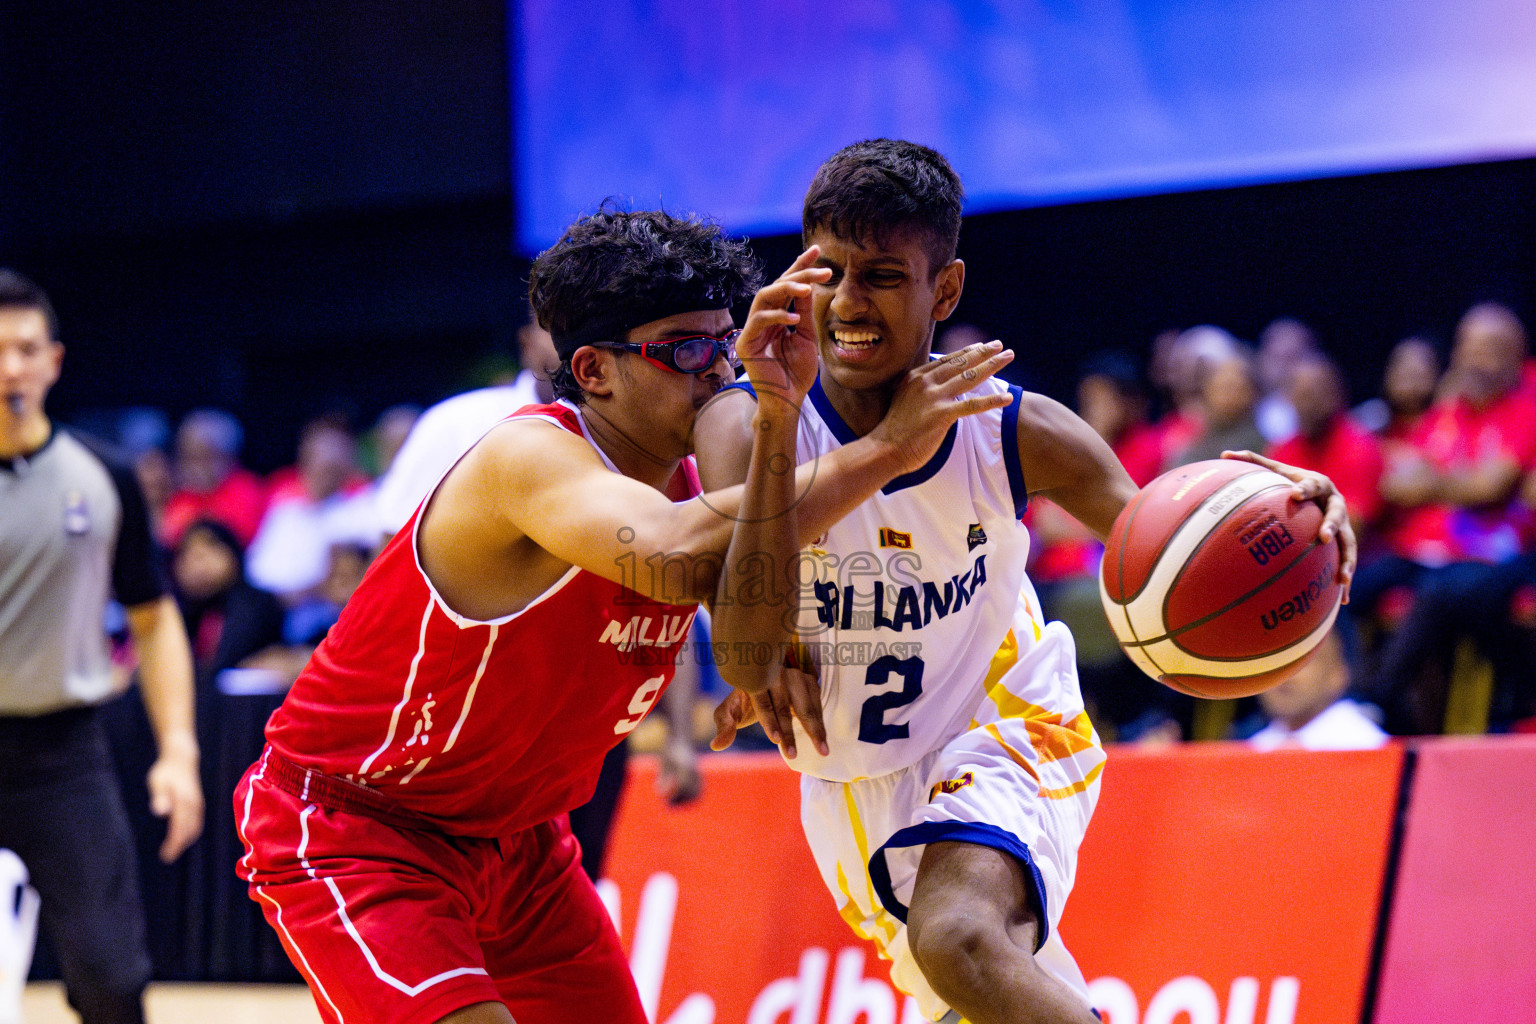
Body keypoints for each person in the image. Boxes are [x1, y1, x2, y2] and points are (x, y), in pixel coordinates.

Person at [232, 207, 1011, 1024]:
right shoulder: (527, 459)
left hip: (523, 842)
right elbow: (674, 559)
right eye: (685, 350)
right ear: (595, 371)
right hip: (362, 827)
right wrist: (888, 448)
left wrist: (767, 650)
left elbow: (745, 631)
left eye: (724, 343)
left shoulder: (695, 474)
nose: (718, 371)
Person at [696, 140, 1355, 1024]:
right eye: (832, 271)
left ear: (948, 291)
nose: (849, 302)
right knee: (988, 989)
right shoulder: (746, 423)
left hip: (1008, 720)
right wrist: (782, 420)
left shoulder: (1015, 431)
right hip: (856, 788)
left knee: (958, 935)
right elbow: (740, 660)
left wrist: (1293, 523)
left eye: (885, 275)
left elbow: (1174, 542)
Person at [0, 269, 204, 1024]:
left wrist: (179, 749)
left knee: (113, 980)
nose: (9, 368)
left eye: (24, 349)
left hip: (62, 756)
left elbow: (153, 620)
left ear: (53, 361)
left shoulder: (105, 475)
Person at [1244, 628, 1388, 751]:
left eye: (1302, 661)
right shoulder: (1249, 752)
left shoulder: (1370, 747)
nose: (1284, 675)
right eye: (1272, 662)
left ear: (1338, 675)